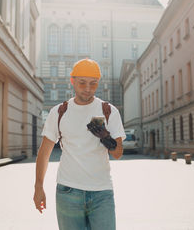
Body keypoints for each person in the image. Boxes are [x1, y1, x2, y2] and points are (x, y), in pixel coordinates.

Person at [33, 58, 126, 230]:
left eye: (93, 83)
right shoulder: (59, 112)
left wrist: (105, 136)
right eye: (82, 82)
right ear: (72, 81)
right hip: (68, 192)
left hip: (102, 192)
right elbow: (44, 153)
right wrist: (38, 187)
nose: (88, 88)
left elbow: (118, 153)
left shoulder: (108, 111)